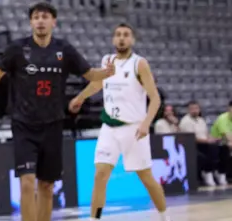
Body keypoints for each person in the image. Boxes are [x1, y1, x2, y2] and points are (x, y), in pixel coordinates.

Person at [0, 2, 115, 221]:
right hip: (24, 125)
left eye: (45, 17)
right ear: (31, 22)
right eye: (35, 17)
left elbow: (90, 75)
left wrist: (106, 72)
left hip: (52, 125)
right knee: (26, 183)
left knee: (47, 186)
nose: (40, 21)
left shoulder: (64, 50)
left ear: (54, 22)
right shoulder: (17, 49)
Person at [68, 24, 170, 220]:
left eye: (126, 35)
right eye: (118, 35)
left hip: (133, 128)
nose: (121, 38)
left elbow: (155, 98)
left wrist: (146, 123)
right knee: (100, 175)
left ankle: (164, 216)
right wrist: (80, 97)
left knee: (146, 178)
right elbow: (98, 82)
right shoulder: (107, 60)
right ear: (113, 39)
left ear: (132, 40)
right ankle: (94, 218)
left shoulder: (139, 64)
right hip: (109, 128)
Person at [180, 100, 229, 186]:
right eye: (192, 109)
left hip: (205, 142)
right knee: (211, 149)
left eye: (196, 108)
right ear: (188, 110)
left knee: (223, 148)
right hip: (193, 145)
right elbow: (191, 138)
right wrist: (207, 141)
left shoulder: (201, 120)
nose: (195, 110)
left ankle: (220, 172)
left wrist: (213, 138)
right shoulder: (185, 121)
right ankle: (207, 172)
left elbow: (206, 134)